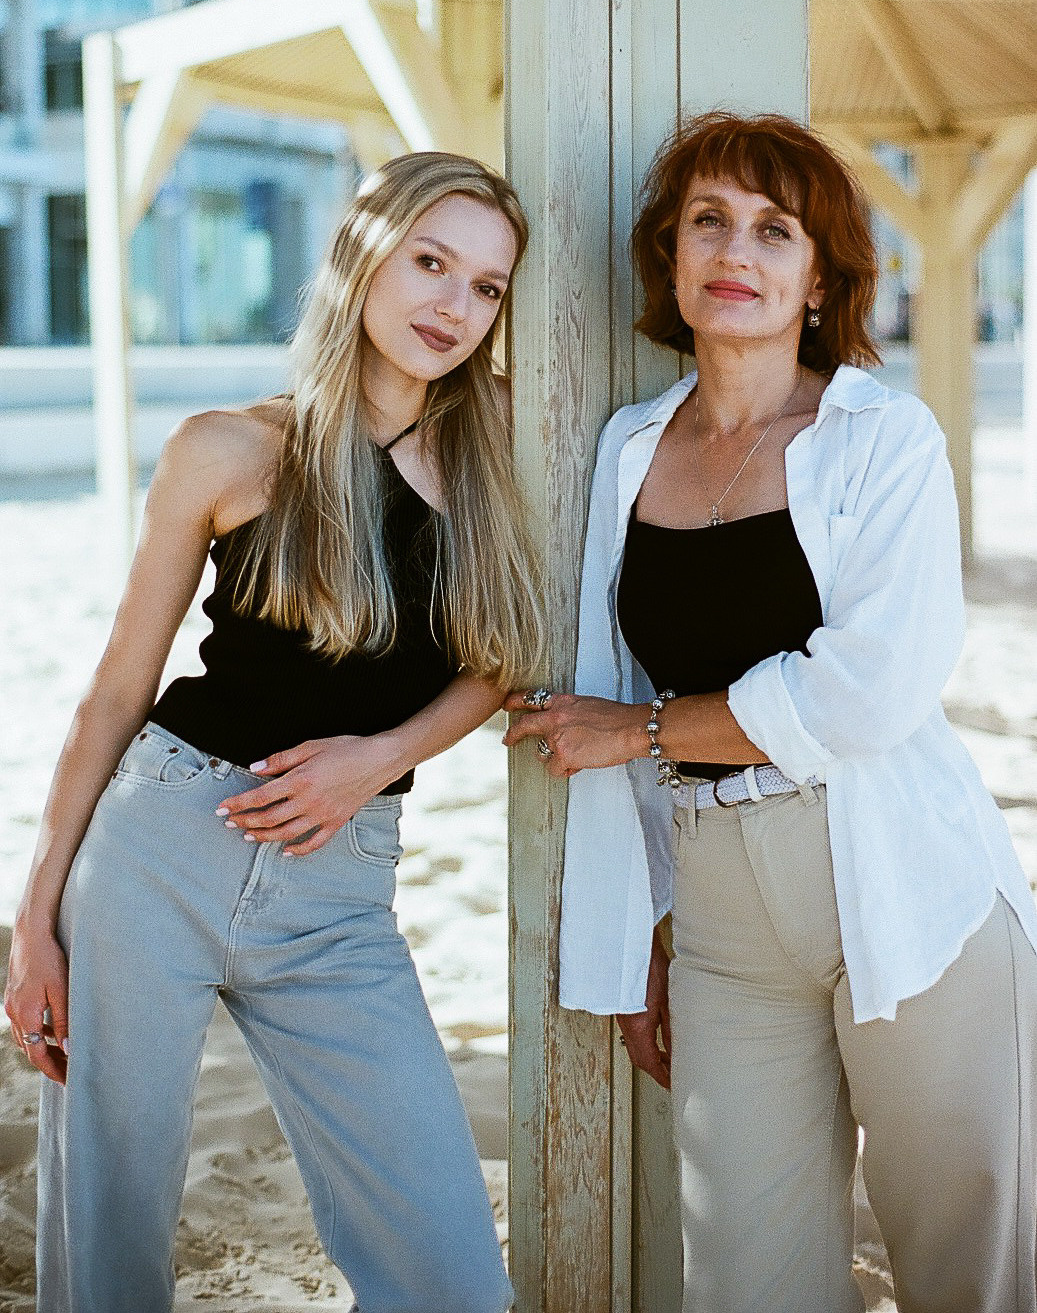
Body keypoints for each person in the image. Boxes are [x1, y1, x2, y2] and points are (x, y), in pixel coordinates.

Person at [505, 112, 1037, 1313]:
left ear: (816, 278)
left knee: (973, 1268)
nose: (733, 249)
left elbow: (867, 689)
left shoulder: (880, 437)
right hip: (721, 922)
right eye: (707, 220)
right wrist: (648, 921)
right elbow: (618, 672)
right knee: (746, 1277)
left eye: (771, 228)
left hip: (906, 890)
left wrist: (637, 732)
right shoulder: (627, 448)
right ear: (670, 255)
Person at [5, 151, 543, 1313]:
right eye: (431, 261)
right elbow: (114, 690)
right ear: (362, 256)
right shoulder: (228, 448)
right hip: (157, 846)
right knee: (106, 1236)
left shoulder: (499, 450)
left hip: (336, 889)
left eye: (487, 287)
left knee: (446, 1261)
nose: (453, 304)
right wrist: (36, 911)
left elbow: (504, 665)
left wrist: (381, 756)